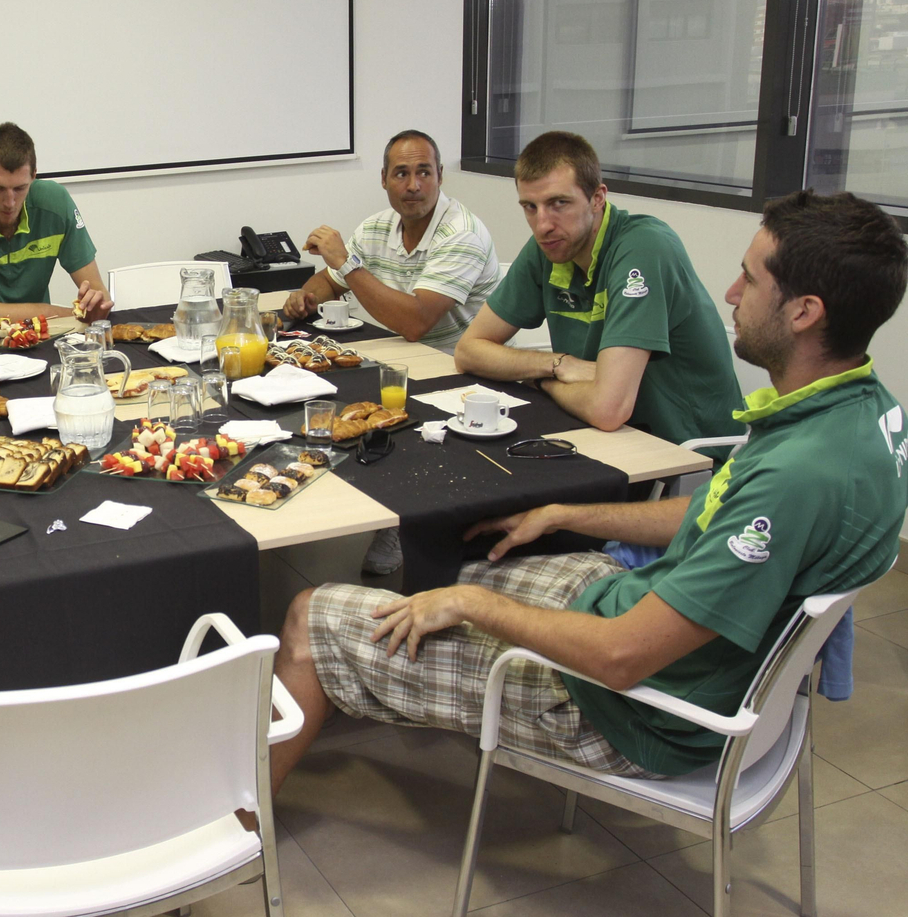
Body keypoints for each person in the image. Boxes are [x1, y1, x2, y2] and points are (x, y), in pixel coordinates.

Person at [266, 190, 908, 796]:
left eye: (750, 279)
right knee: (451, 570)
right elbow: (717, 512)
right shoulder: (864, 414)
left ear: (804, 312)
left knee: (309, 615)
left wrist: (471, 605)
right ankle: (373, 672)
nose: (731, 293)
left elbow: (622, 657)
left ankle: (239, 832)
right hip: (648, 624)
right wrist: (566, 513)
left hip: (629, 708)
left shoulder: (797, 476)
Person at [454, 130, 744, 445]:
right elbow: (468, 351)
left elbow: (608, 409)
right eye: (530, 207)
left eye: (559, 203)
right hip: (606, 434)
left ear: (597, 198)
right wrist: (558, 364)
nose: (543, 225)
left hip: (687, 450)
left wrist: (542, 382)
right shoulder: (550, 246)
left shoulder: (643, 248)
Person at [282, 130, 500, 351]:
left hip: (460, 365)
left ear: (440, 176)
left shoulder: (462, 234)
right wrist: (306, 299)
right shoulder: (374, 228)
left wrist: (345, 263)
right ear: (384, 179)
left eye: (424, 173)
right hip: (405, 355)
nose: (413, 185)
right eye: (401, 174)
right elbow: (329, 282)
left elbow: (416, 323)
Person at [0, 122, 113, 326]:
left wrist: (95, 303)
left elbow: (100, 296)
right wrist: (51, 312)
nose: (9, 202)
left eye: (20, 188)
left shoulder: (55, 201)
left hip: (39, 335)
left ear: (34, 175)